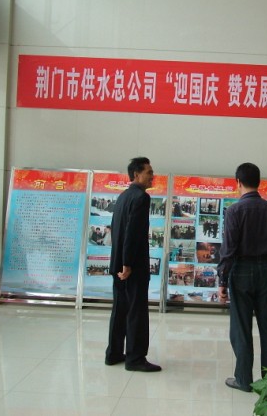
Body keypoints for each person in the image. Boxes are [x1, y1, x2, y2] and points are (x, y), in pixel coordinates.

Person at [217, 162, 267, 392]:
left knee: (241, 327)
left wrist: (222, 280)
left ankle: (244, 379)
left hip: (241, 271)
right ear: (259, 182)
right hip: (266, 270)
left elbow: (228, 249)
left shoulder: (234, 211)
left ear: (238, 182)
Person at [105, 157, 162, 373]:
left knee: (119, 309)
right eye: (149, 172)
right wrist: (128, 264)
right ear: (137, 175)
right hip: (132, 267)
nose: (152, 176)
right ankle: (135, 358)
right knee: (136, 311)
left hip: (117, 264)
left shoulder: (123, 196)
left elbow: (117, 230)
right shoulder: (141, 197)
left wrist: (120, 262)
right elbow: (133, 232)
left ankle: (113, 354)